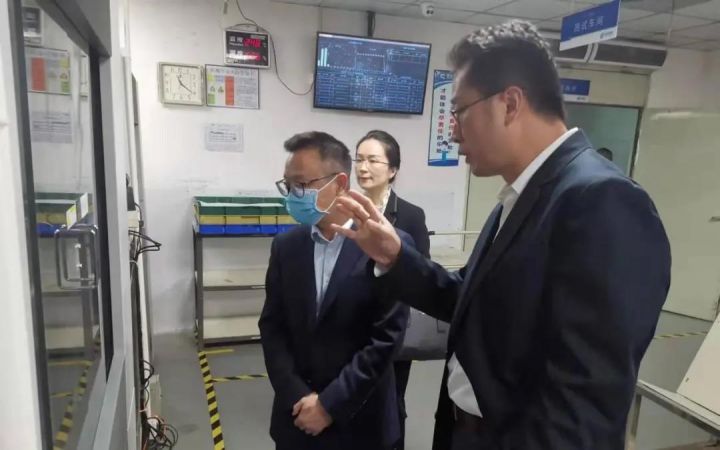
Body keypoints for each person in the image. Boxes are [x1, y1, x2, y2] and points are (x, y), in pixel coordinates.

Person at [333, 20, 671, 450]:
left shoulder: (602, 201)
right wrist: (396, 256)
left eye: (460, 111)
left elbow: (584, 398)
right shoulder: (519, 198)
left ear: (510, 104)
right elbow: (470, 300)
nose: (453, 131)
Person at [259, 131, 409, 450]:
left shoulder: (387, 244)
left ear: (340, 184)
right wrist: (297, 395)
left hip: (362, 422)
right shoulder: (286, 247)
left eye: (302, 184)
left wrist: (329, 406)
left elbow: (387, 338)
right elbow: (272, 328)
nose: (293, 195)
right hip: (297, 419)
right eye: (288, 185)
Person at [355, 130, 430, 450]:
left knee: (391, 400)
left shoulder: (411, 215)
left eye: (373, 160)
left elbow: (421, 271)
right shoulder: (346, 209)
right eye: (359, 159)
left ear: (393, 169)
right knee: (353, 396)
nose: (363, 167)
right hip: (352, 322)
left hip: (392, 325)